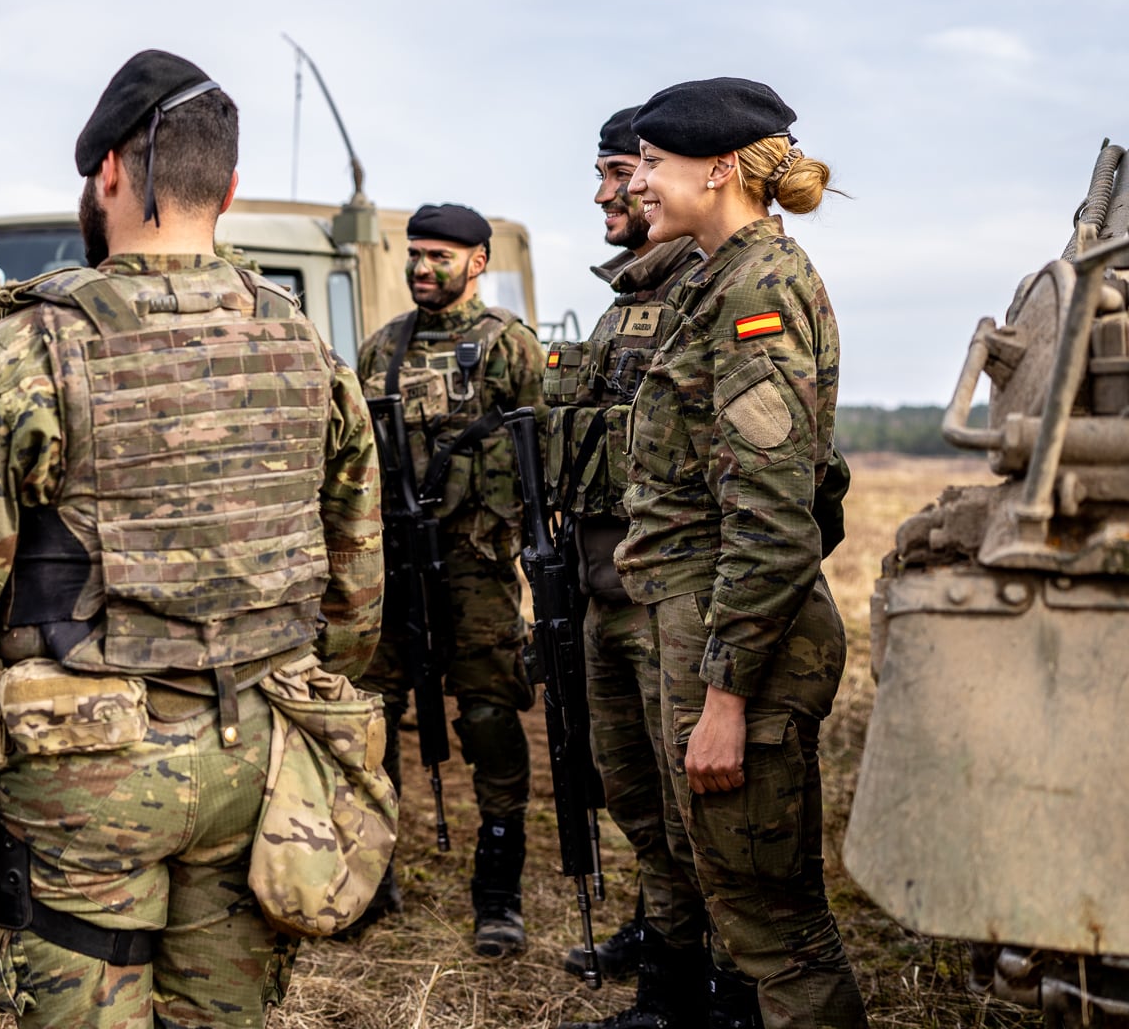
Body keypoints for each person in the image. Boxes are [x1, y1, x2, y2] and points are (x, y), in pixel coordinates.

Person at [0, 49, 384, 1027]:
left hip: (85, 773)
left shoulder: (32, 347)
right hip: (259, 755)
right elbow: (357, 593)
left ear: (108, 170)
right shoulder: (309, 350)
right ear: (228, 188)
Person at [616, 77, 865, 1029]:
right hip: (703, 623)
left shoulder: (758, 289)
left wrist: (725, 699)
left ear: (719, 168)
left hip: (740, 647)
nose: (638, 181)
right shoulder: (717, 280)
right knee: (739, 905)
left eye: (653, 161)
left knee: (777, 931)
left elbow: (772, 518)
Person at [550, 109, 709, 1027]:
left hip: (667, 597)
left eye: (624, 170)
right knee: (633, 790)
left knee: (692, 807)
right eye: (612, 172)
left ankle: (699, 988)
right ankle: (665, 940)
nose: (610, 192)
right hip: (606, 587)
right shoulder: (625, 303)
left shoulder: (704, 291)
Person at [353, 201, 545, 956]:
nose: (423, 269)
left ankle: (498, 890)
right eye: (415, 255)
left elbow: (542, 457)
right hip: (393, 567)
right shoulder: (380, 351)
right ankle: (370, 874)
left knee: (492, 717)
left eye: (440, 256)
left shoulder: (509, 348)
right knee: (371, 718)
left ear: (478, 262)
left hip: (477, 568)